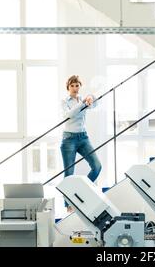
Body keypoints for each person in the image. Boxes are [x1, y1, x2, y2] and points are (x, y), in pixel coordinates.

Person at [60, 75, 102, 213]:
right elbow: (70, 114)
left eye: (77, 85)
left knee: (97, 166)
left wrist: (91, 96)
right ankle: (69, 205)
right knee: (69, 174)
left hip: (83, 137)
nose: (75, 88)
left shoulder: (83, 99)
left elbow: (96, 104)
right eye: (72, 86)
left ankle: (82, 193)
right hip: (69, 139)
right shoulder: (65, 101)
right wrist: (83, 103)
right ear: (68, 87)